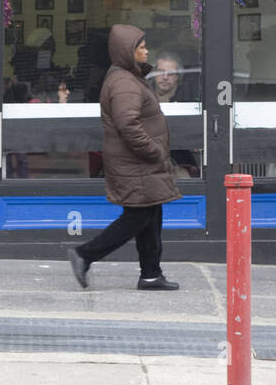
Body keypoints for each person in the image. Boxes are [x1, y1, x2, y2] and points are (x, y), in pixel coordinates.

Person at [68, 25, 182, 290]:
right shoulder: (123, 83)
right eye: (141, 48)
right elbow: (128, 125)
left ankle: (151, 274)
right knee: (138, 217)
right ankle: (84, 254)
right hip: (137, 163)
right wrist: (153, 151)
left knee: (151, 215)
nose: (146, 51)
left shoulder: (129, 77)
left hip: (141, 164)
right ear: (127, 52)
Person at [148, 49, 200, 178]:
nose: (165, 77)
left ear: (177, 76)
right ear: (154, 73)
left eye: (170, 73)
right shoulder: (144, 93)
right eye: (161, 72)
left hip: (180, 155)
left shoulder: (188, 97)